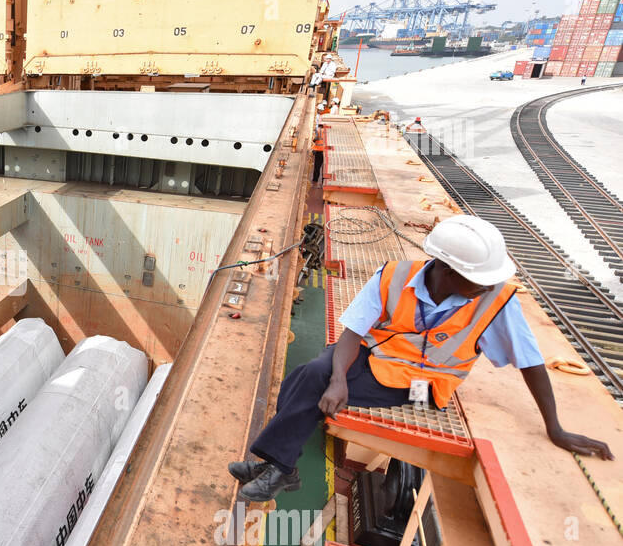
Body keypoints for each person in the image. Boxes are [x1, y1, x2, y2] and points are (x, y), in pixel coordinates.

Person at [229, 215, 614, 502]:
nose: (485, 287)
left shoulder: (496, 301)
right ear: (445, 270)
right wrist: (339, 379)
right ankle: (280, 466)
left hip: (424, 386)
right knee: (312, 372)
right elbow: (353, 331)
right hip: (380, 359)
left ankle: (277, 466)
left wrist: (555, 427)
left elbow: (530, 362)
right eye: (478, 280)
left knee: (311, 379)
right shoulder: (394, 275)